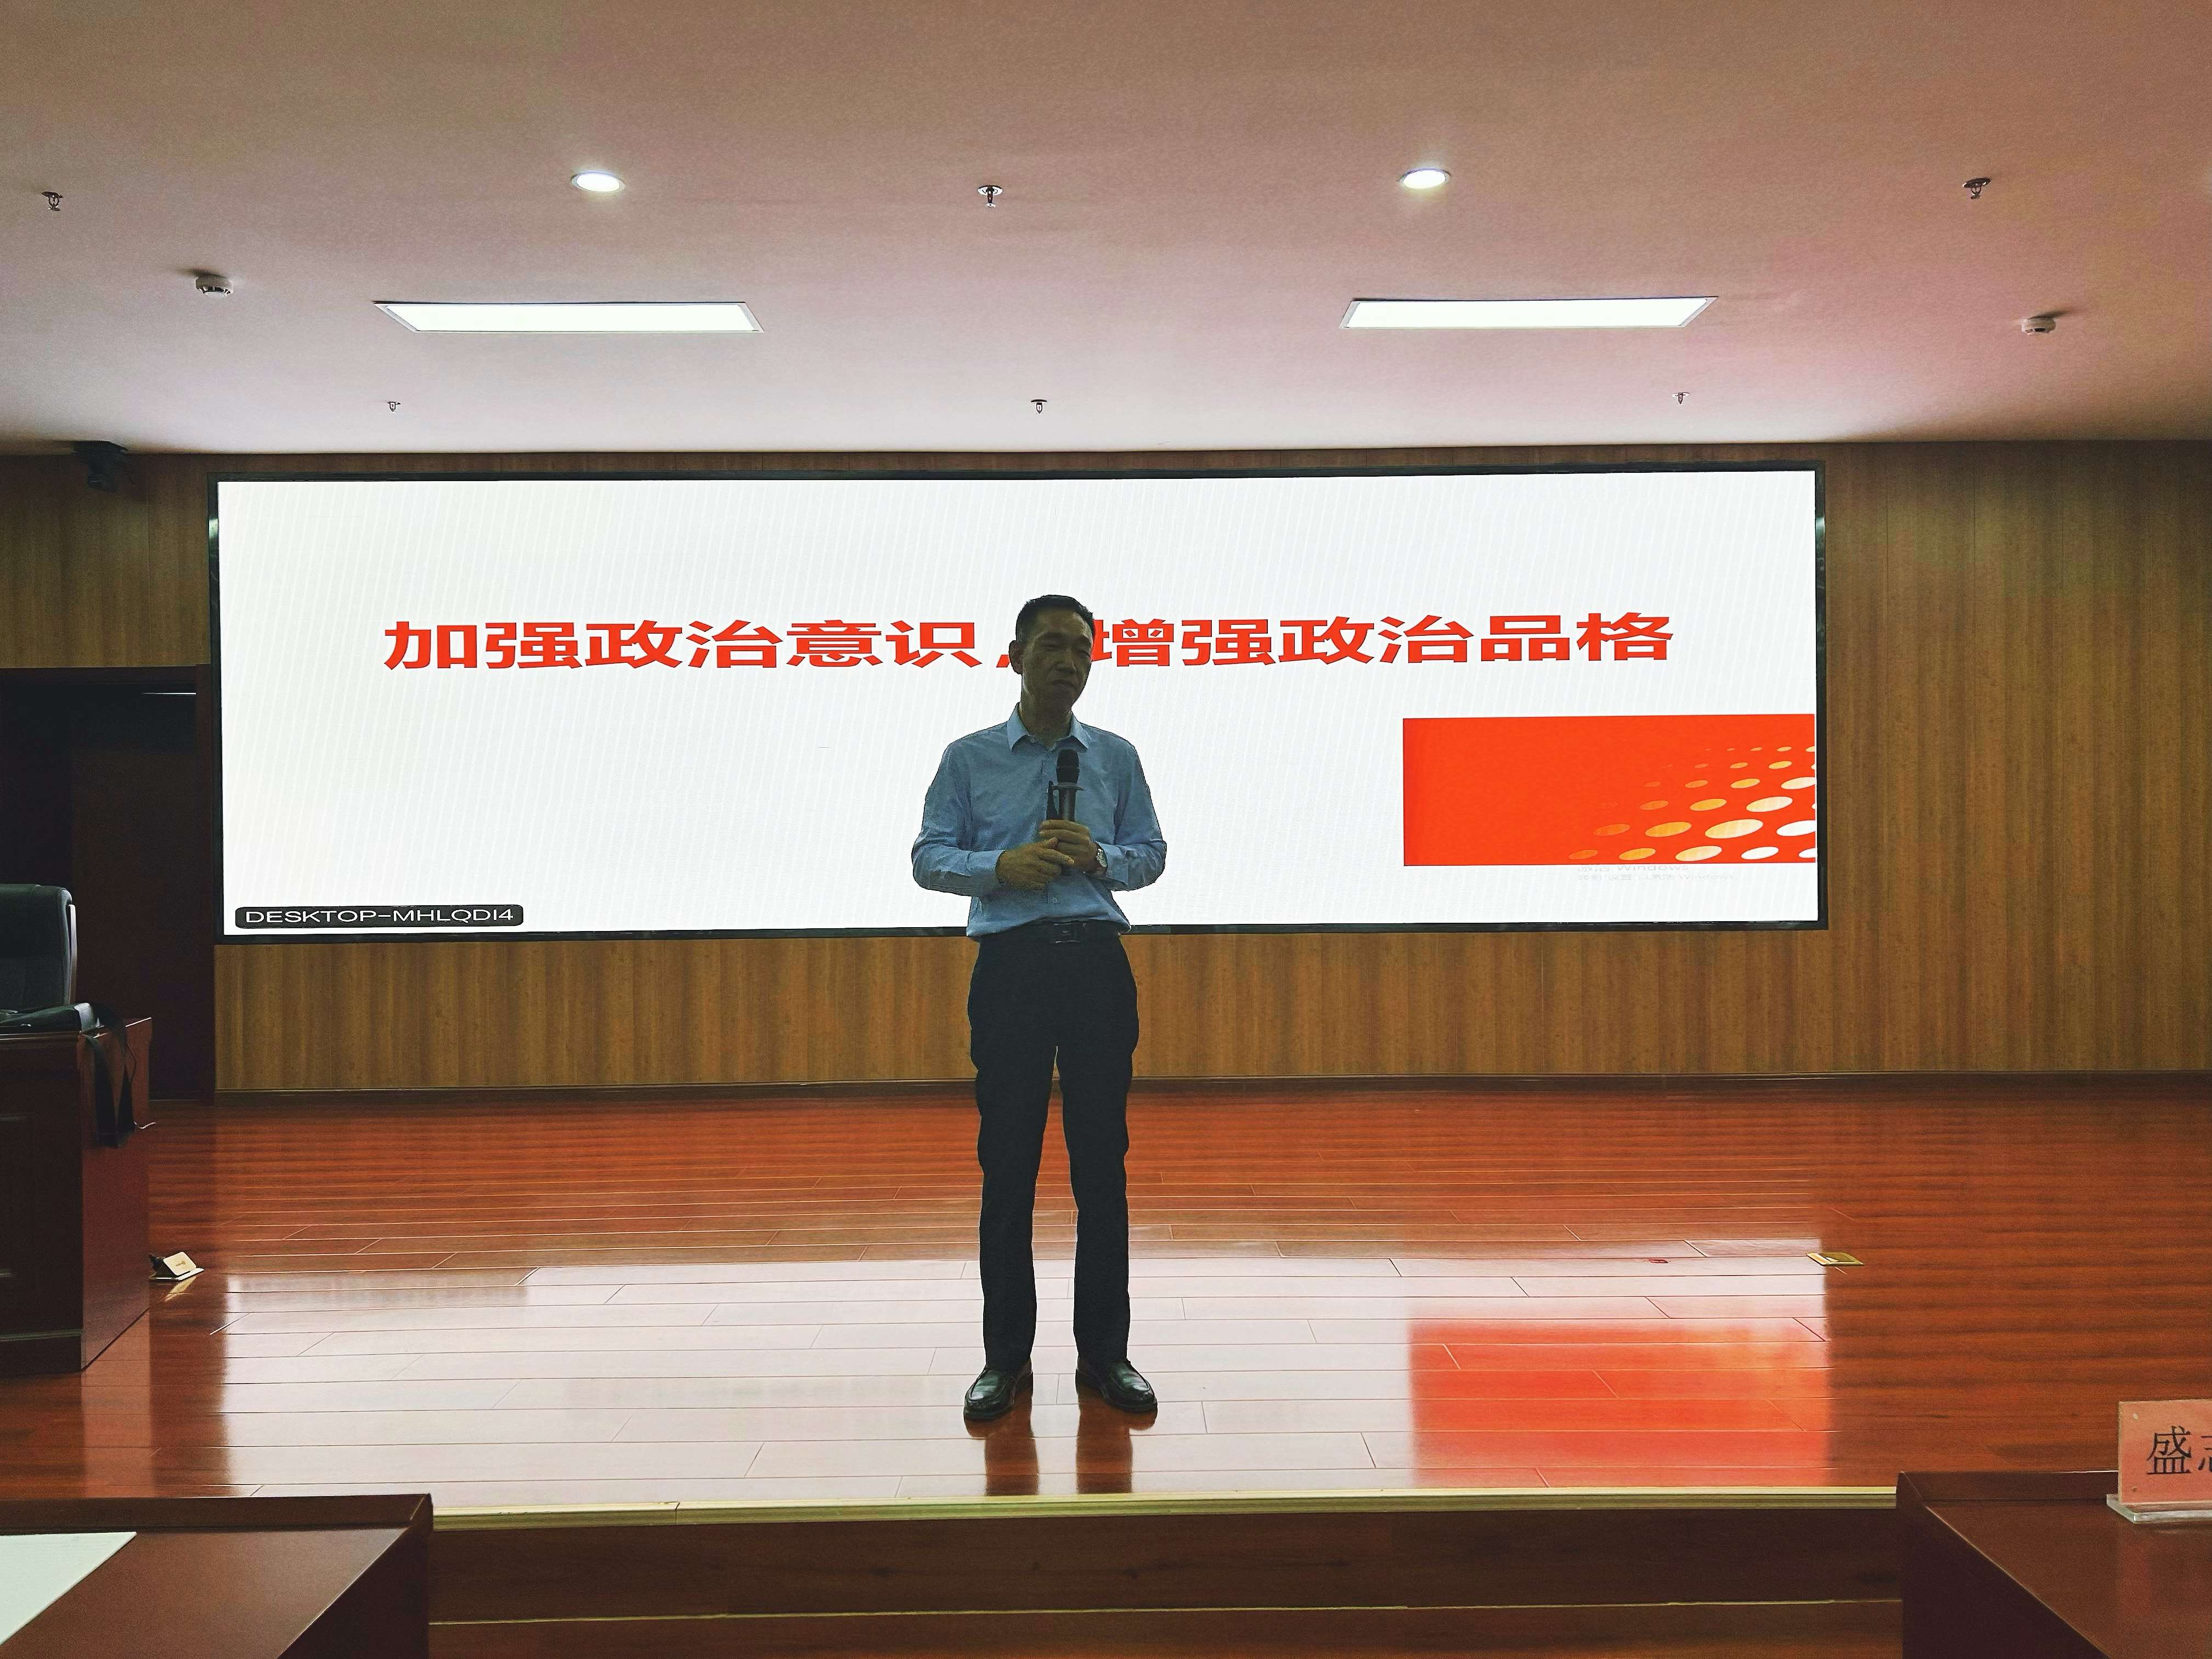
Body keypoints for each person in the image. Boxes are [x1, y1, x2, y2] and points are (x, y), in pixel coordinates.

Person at [911, 595, 1167, 1420]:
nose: (1069, 662)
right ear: (1015, 655)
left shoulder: (1116, 756)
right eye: (1053, 645)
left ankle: (1107, 1355)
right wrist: (1000, 868)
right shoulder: (969, 757)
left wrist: (1103, 858)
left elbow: (1152, 855)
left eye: (1083, 650)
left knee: (1102, 1166)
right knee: (1008, 1166)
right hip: (1012, 970)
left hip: (1095, 966)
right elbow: (928, 857)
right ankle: (1004, 1361)